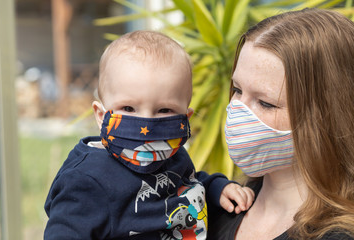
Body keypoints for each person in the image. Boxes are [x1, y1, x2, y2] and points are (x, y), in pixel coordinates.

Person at [44, 30, 254, 240]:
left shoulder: (171, 154)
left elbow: (186, 183)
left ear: (185, 119)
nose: (148, 124)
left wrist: (216, 188)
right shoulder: (86, 181)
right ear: (101, 115)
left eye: (164, 111)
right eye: (128, 108)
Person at [207, 8, 354, 240]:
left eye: (266, 103)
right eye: (237, 90)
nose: (237, 112)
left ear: (326, 114)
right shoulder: (217, 205)